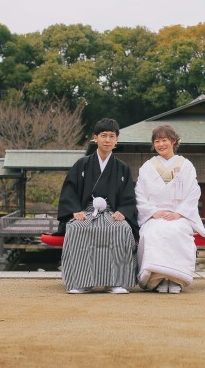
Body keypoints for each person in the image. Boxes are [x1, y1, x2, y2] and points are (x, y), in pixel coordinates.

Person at [135, 124, 205, 294]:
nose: (161, 144)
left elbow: (193, 193)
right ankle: (158, 279)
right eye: (157, 141)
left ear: (173, 141)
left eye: (164, 140)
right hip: (155, 215)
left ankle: (176, 279)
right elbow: (139, 193)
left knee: (177, 231)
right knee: (153, 232)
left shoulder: (186, 165)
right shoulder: (147, 166)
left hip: (179, 215)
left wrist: (179, 213)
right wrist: (153, 212)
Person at [56, 118, 138, 294]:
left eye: (111, 136)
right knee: (77, 228)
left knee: (122, 229)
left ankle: (115, 282)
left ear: (117, 140)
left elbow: (129, 195)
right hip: (86, 211)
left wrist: (123, 212)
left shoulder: (122, 167)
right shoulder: (82, 164)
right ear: (95, 138)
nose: (107, 140)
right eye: (103, 136)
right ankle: (81, 282)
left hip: (111, 211)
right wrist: (74, 211)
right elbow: (69, 190)